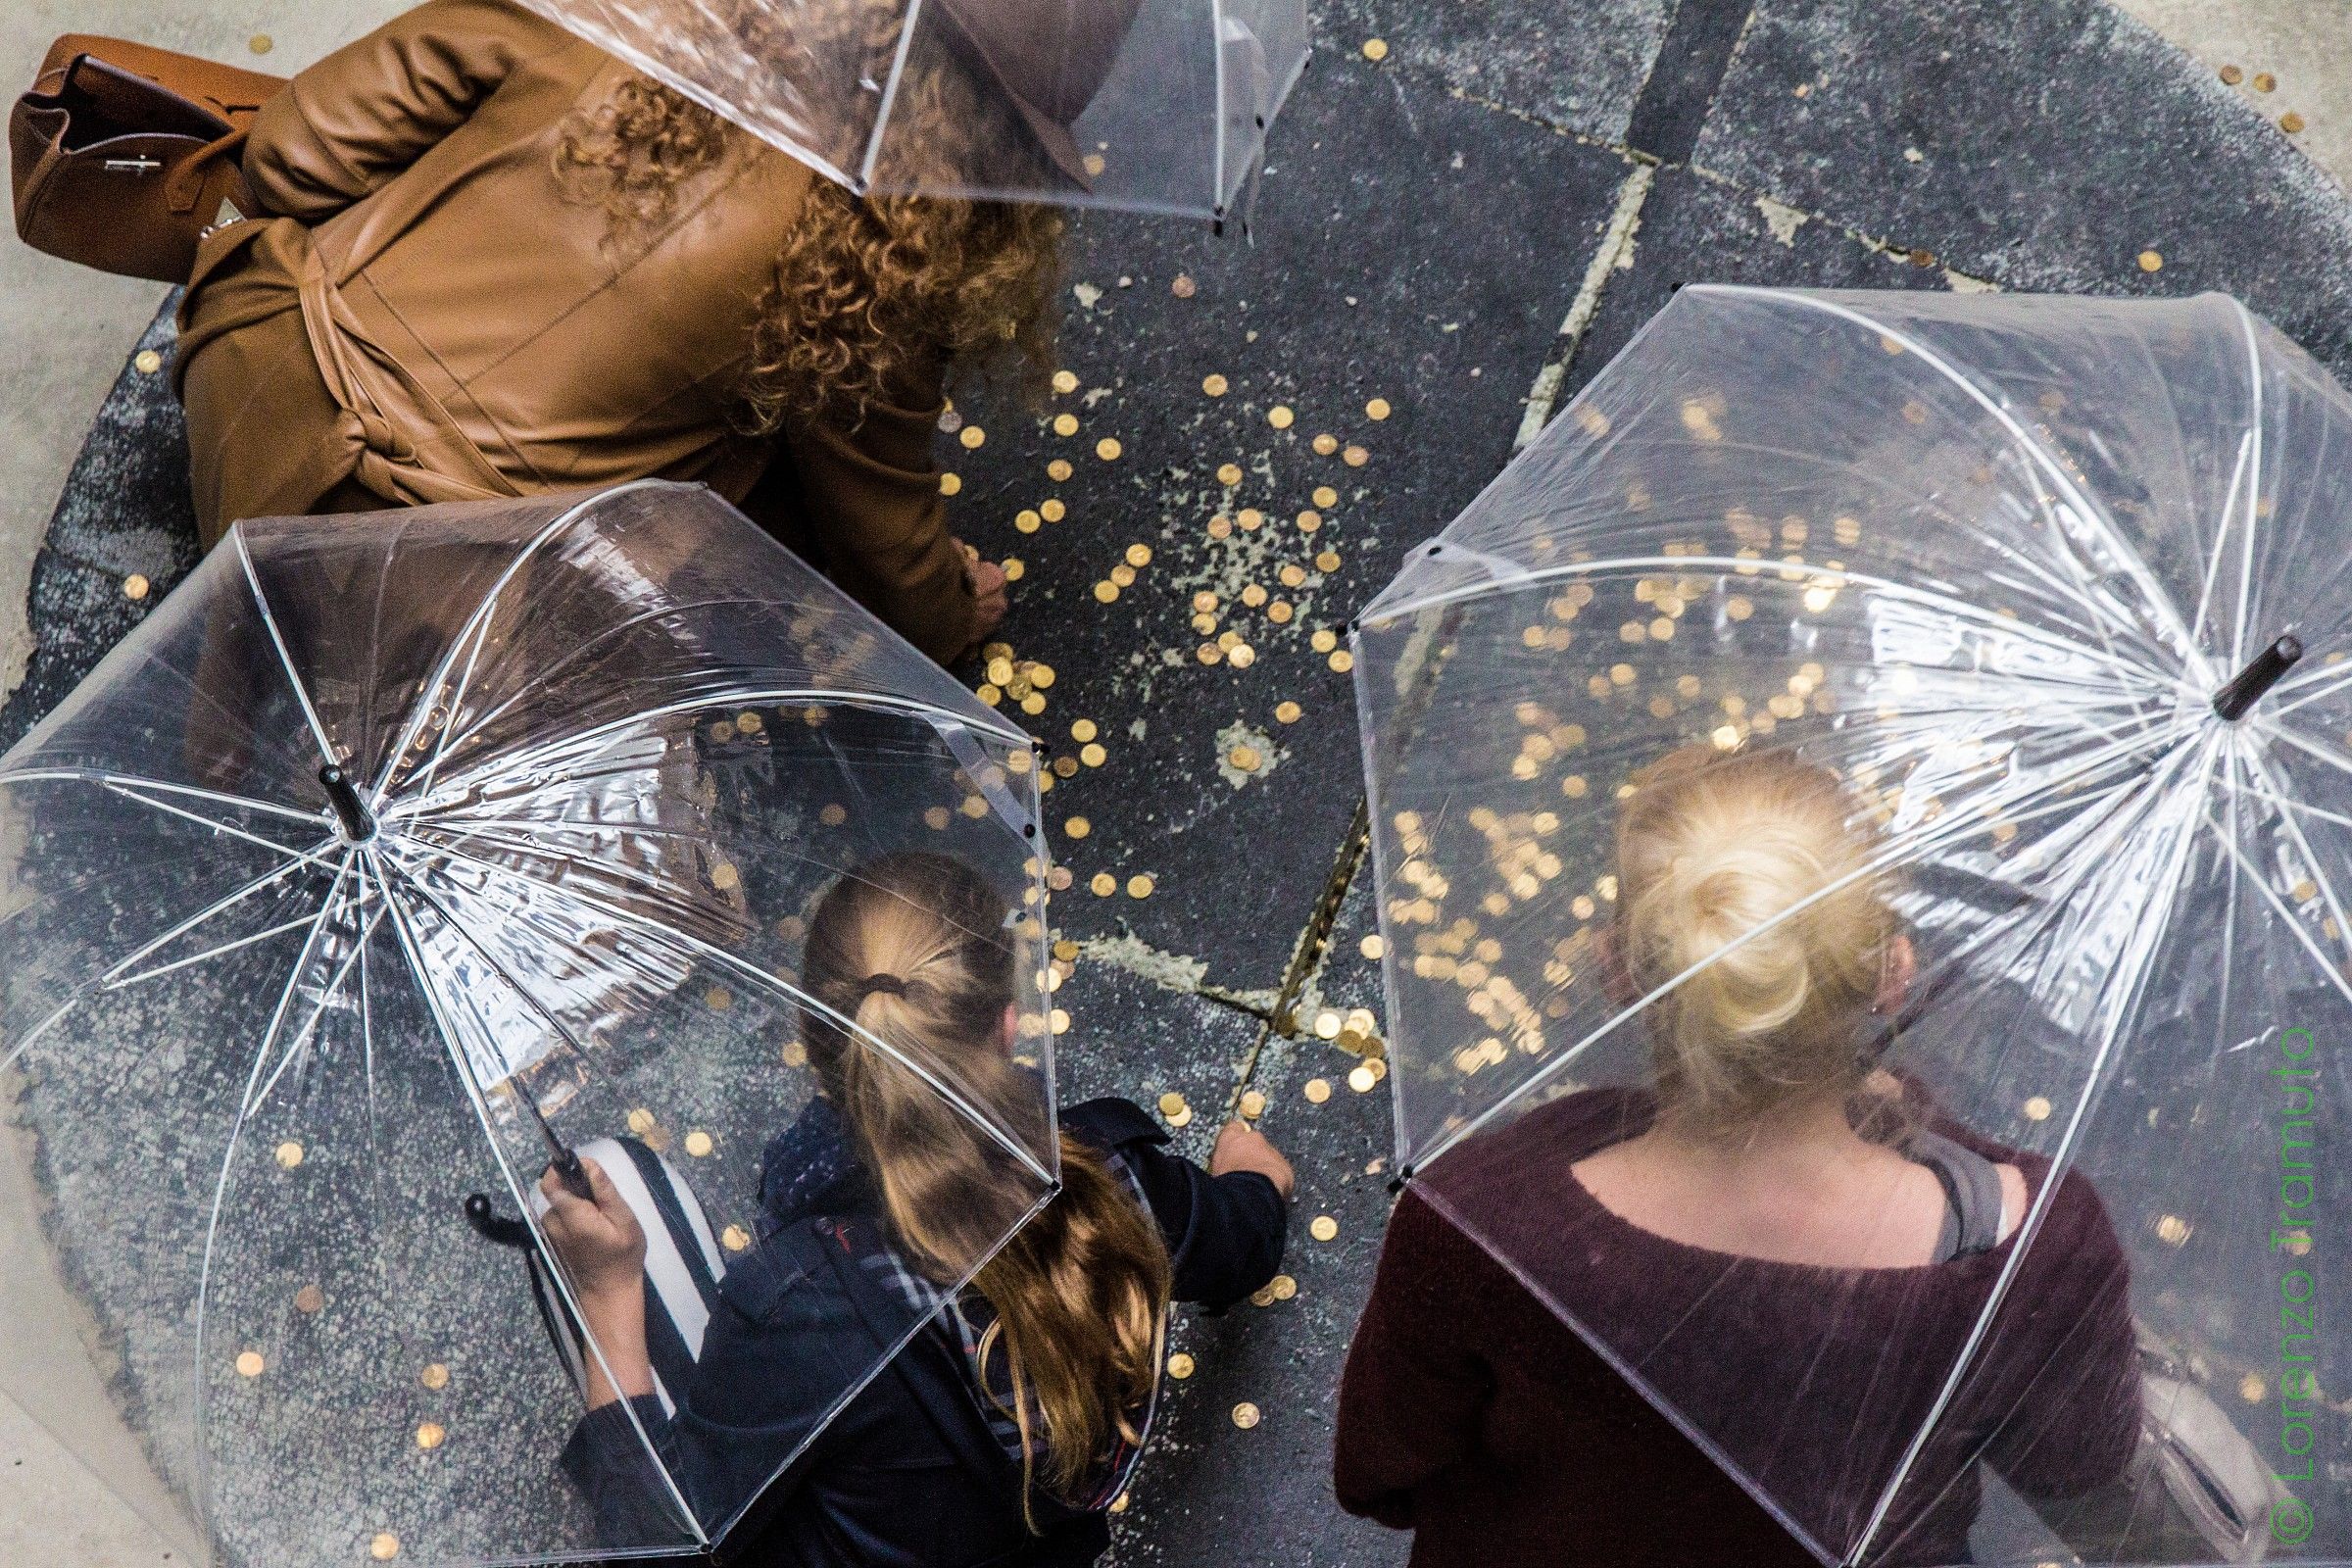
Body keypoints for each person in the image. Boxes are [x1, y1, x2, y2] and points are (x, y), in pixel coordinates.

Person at [1333, 746, 2142, 1568]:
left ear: (1615, 969)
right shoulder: (2034, 1248)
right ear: (1893, 976)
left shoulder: (1478, 1217)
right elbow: (2079, 1465)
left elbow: (1380, 1473)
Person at [172, 0, 1083, 664]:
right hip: (426, 577)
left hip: (248, 376)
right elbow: (880, 539)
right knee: (751, 444)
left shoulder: (621, 16)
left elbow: (291, 154)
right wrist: (955, 613)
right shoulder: (883, 265)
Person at [542, 853, 1294, 1565]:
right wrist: (1257, 1181)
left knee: (614, 1173)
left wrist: (607, 1294)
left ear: (821, 1049)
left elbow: (661, 1547)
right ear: (1006, 1026)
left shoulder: (795, 1306)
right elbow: (1240, 1246)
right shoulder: (1108, 1172)